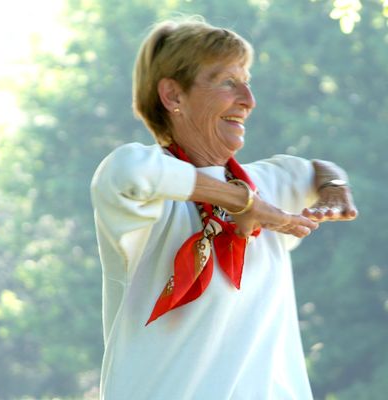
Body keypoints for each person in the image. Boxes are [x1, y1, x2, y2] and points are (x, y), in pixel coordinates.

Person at [90, 16, 358, 400]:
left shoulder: (266, 183)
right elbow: (127, 173)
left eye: (247, 82)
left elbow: (318, 168)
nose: (248, 101)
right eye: (228, 82)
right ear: (173, 96)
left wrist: (334, 186)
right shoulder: (146, 195)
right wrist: (244, 203)